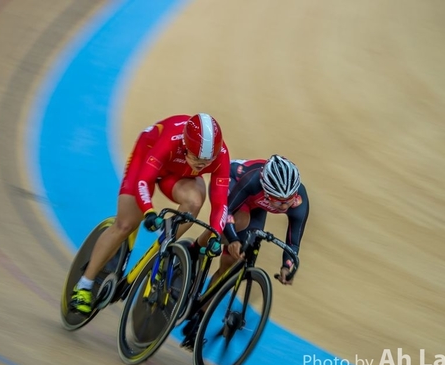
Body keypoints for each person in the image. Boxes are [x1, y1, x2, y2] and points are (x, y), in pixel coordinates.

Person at [70, 113, 230, 315]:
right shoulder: (171, 140)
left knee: (195, 202)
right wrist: (149, 212)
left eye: (209, 160)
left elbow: (220, 201)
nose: (203, 165)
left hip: (178, 175)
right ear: (186, 146)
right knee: (126, 224)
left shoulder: (220, 154)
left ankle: (163, 249)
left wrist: (216, 232)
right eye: (198, 159)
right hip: (147, 158)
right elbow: (144, 180)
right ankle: (84, 285)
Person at [179, 154, 309, 350]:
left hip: (256, 203)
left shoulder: (298, 199)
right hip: (233, 182)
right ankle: (194, 250)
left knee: (232, 263)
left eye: (287, 202)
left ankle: (199, 316)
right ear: (267, 190)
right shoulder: (253, 181)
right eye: (278, 201)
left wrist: (287, 266)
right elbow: (226, 213)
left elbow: (293, 241)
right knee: (236, 226)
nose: (284, 206)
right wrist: (231, 239)